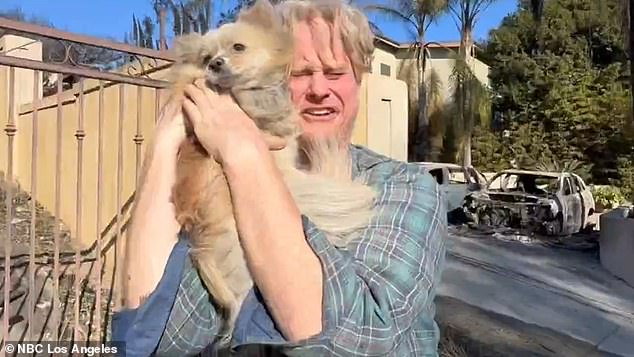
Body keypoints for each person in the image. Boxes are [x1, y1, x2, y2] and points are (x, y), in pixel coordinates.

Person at [112, 0, 447, 355]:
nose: (319, 89)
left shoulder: (406, 188)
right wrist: (166, 140)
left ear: (358, 79)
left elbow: (363, 340)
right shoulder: (221, 178)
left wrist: (245, 154)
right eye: (300, 74)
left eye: (335, 73)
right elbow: (150, 337)